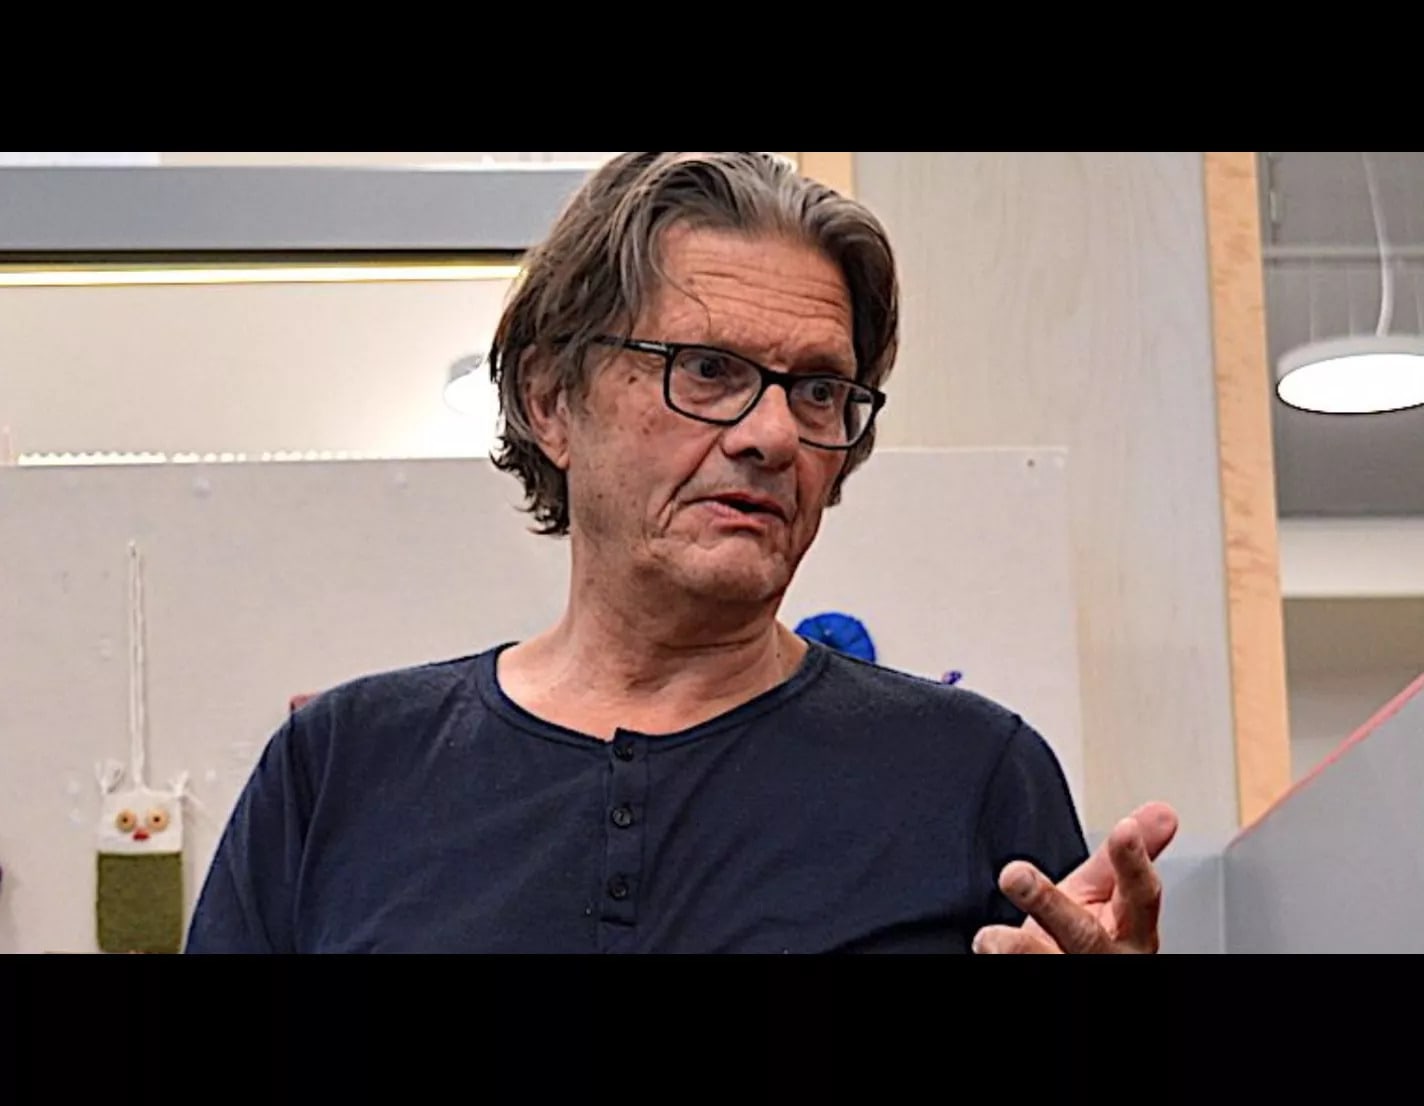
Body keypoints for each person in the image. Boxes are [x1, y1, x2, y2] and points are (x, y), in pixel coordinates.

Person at [185, 152, 1178, 954]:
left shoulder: (970, 777)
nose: (773, 435)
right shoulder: (341, 769)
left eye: (818, 390)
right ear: (549, 400)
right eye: (707, 369)